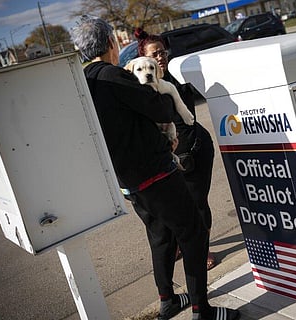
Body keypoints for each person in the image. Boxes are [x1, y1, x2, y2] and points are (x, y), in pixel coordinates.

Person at [71, 16, 239, 320]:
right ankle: (203, 311)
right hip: (155, 174)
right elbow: (161, 108)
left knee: (161, 236)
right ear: (111, 43)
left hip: (127, 181)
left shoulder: (83, 82)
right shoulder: (114, 76)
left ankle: (169, 301)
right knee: (194, 233)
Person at [134, 28, 218, 271]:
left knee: (197, 204)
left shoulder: (176, 77)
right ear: (144, 59)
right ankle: (184, 245)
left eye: (162, 52)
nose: (160, 57)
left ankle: (204, 250)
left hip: (195, 149)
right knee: (175, 210)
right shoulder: (142, 86)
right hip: (169, 157)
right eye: (154, 54)